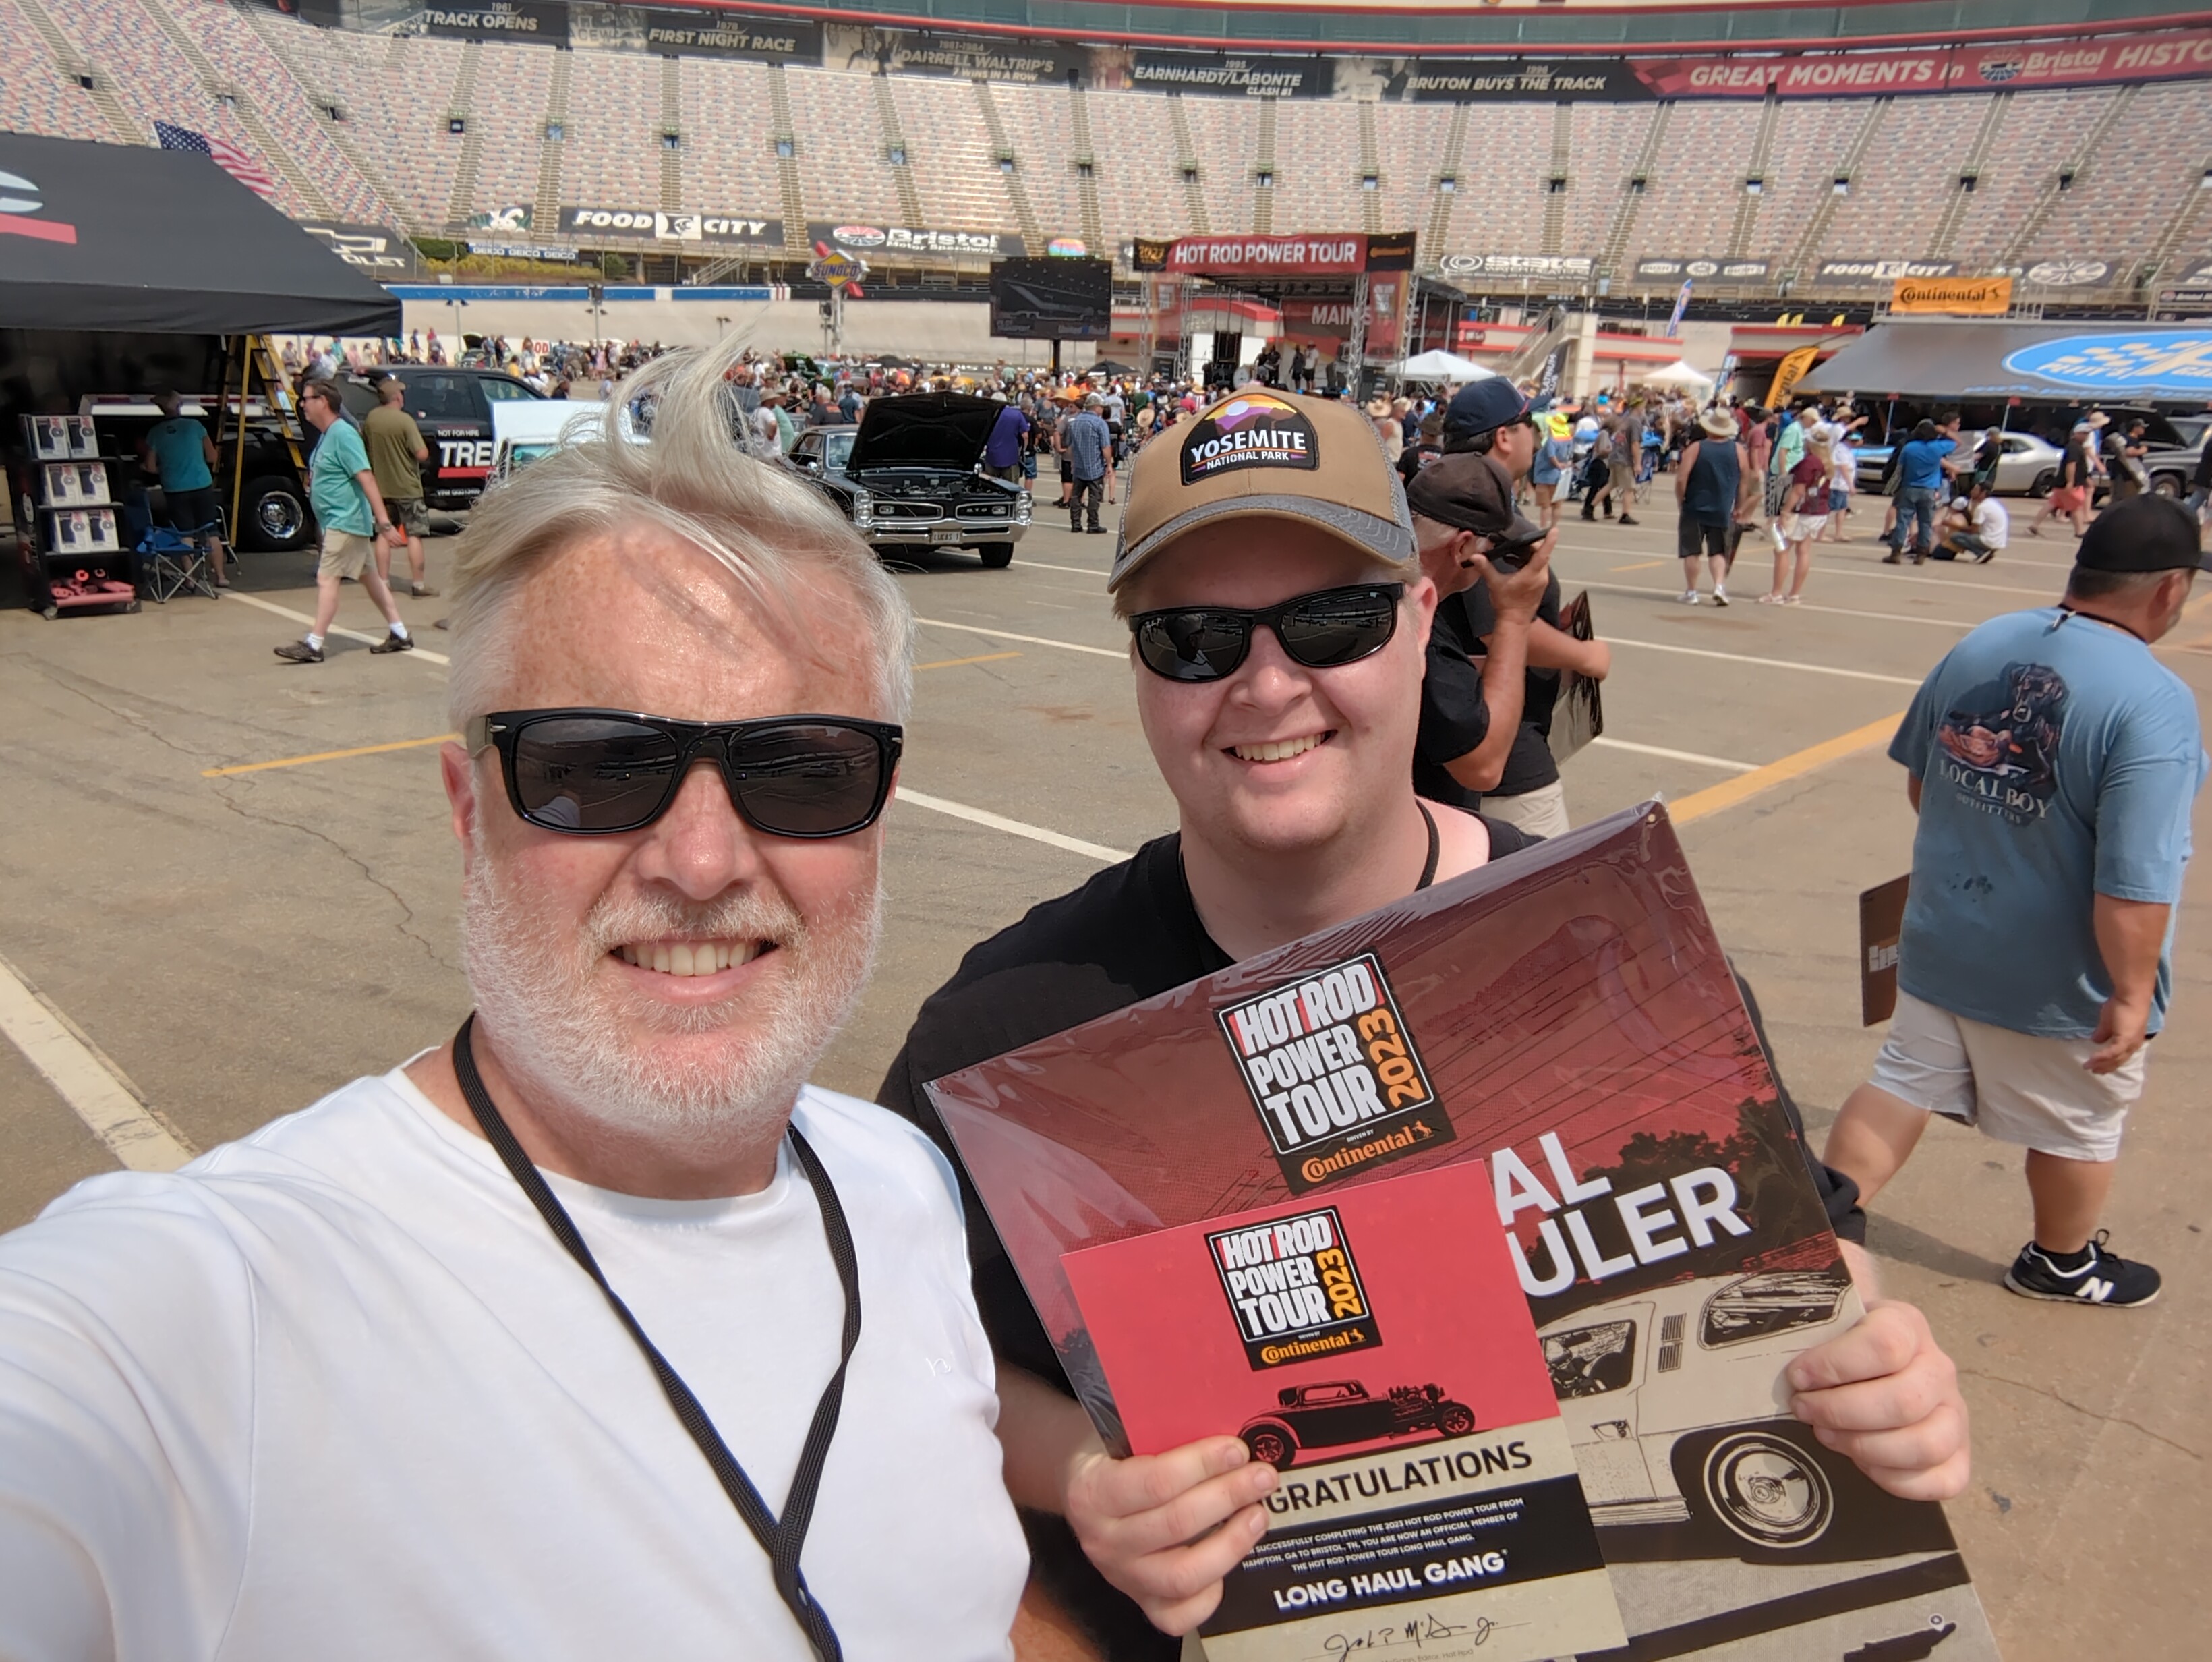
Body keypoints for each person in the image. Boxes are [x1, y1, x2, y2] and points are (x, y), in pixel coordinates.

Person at [878, 387, 1970, 1655]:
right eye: (1194, 637)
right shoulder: (1009, 1031)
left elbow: (1807, 1249)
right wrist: (1083, 1469)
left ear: (1415, 621)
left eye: (1328, 619)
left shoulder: (1618, 955)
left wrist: (1877, 1359)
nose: (1267, 682)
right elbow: (901, 1355)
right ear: (1139, 665)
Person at [0, 342, 1028, 1655]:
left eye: (800, 768)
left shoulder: (903, 1182)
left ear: (880, 809)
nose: (702, 862)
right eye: (597, 767)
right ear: (463, 811)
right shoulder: (208, 1315)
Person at [1824, 496, 2209, 1310]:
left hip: (1941, 936)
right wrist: (2133, 992)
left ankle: (1817, 1230)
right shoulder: (2153, 702)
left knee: (1901, 1083)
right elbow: (2132, 880)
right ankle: (2060, 1262)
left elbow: (1923, 786)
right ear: (2171, 590)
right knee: (2079, 1122)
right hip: (2057, 976)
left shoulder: (1985, 642)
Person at [274, 380, 412, 664]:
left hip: (345, 520)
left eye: (307, 399)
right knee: (370, 579)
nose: (303, 404)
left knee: (327, 578)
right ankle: (400, 632)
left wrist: (384, 523)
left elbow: (366, 478)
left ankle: (314, 644)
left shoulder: (344, 435)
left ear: (323, 401)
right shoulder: (328, 434)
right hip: (339, 520)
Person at [137, 390, 229, 587]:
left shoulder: (156, 433)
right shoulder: (196, 426)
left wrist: (167, 466)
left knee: (184, 534)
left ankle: (190, 578)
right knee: (211, 531)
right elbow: (213, 457)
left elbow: (151, 467)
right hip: (202, 484)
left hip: (175, 488)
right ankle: (220, 577)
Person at [364, 374, 437, 599]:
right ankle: (418, 584)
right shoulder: (405, 421)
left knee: (384, 534)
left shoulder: (371, 420)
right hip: (408, 487)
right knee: (414, 534)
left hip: (381, 488)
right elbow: (421, 453)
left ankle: (383, 582)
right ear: (396, 397)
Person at [1675, 406, 1751, 606]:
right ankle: (1719, 586)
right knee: (1718, 551)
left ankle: (1692, 592)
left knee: (1692, 551)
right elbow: (1745, 481)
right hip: (1723, 507)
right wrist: (1739, 506)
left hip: (1694, 506)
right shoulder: (1738, 450)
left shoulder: (1696, 448)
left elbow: (1682, 478)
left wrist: (1680, 500)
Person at [1764, 425, 1834, 606]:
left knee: (1781, 549)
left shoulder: (1809, 462)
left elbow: (1798, 491)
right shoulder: (1826, 462)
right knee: (1803, 551)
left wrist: (1785, 512)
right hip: (1818, 509)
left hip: (1802, 511)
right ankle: (1794, 594)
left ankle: (1776, 593)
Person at [1884, 416, 1959, 565]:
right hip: (1929, 489)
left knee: (1903, 521)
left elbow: (1900, 468)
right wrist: (1944, 430)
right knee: (1926, 522)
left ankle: (1896, 552)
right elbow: (1958, 443)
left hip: (1909, 487)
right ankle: (1921, 554)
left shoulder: (1909, 448)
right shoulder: (1937, 447)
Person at [2031, 419, 2097, 539]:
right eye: (2084, 433)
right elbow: (2071, 465)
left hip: (2063, 483)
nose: (2086, 436)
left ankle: (2034, 526)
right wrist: (2071, 482)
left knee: (2051, 505)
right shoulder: (2074, 447)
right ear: (2077, 433)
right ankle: (2080, 531)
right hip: (2069, 484)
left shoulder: (2075, 446)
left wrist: (2085, 478)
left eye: (2087, 434)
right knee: (2077, 506)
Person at [1062, 395, 1113, 534]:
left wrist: (1073, 462)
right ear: (1097, 408)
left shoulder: (1075, 421)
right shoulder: (1099, 423)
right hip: (1095, 466)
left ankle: (1076, 524)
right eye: (1101, 407)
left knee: (1076, 496)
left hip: (1079, 465)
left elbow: (1071, 445)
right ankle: (1093, 524)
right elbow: (1105, 446)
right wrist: (1109, 464)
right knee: (1094, 496)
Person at [1937, 478, 2010, 564]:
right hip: (1999, 540)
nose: (1972, 492)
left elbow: (1973, 530)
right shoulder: (1993, 503)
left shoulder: (1982, 507)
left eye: (1976, 490)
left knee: (1956, 536)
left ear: (1983, 493)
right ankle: (1984, 551)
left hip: (1989, 540)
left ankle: (1981, 553)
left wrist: (1951, 524)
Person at [983, 396, 1029, 484]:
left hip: (991, 456)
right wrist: (1023, 451)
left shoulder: (989, 414)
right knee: (1011, 487)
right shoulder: (1017, 414)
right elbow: (1025, 436)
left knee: (990, 486)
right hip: (1011, 457)